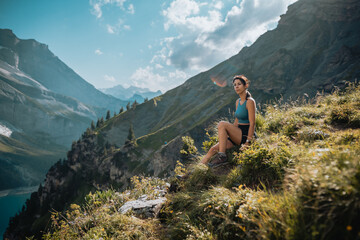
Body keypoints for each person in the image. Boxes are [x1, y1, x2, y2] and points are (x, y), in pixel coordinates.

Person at [201, 75, 256, 167]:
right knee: (212, 149)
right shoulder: (238, 102)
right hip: (237, 134)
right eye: (234, 85)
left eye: (239, 84)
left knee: (222, 124)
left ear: (245, 85)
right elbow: (236, 120)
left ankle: (222, 156)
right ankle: (190, 174)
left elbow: (252, 123)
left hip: (246, 134)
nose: (236, 87)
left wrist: (248, 142)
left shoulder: (250, 101)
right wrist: (228, 134)